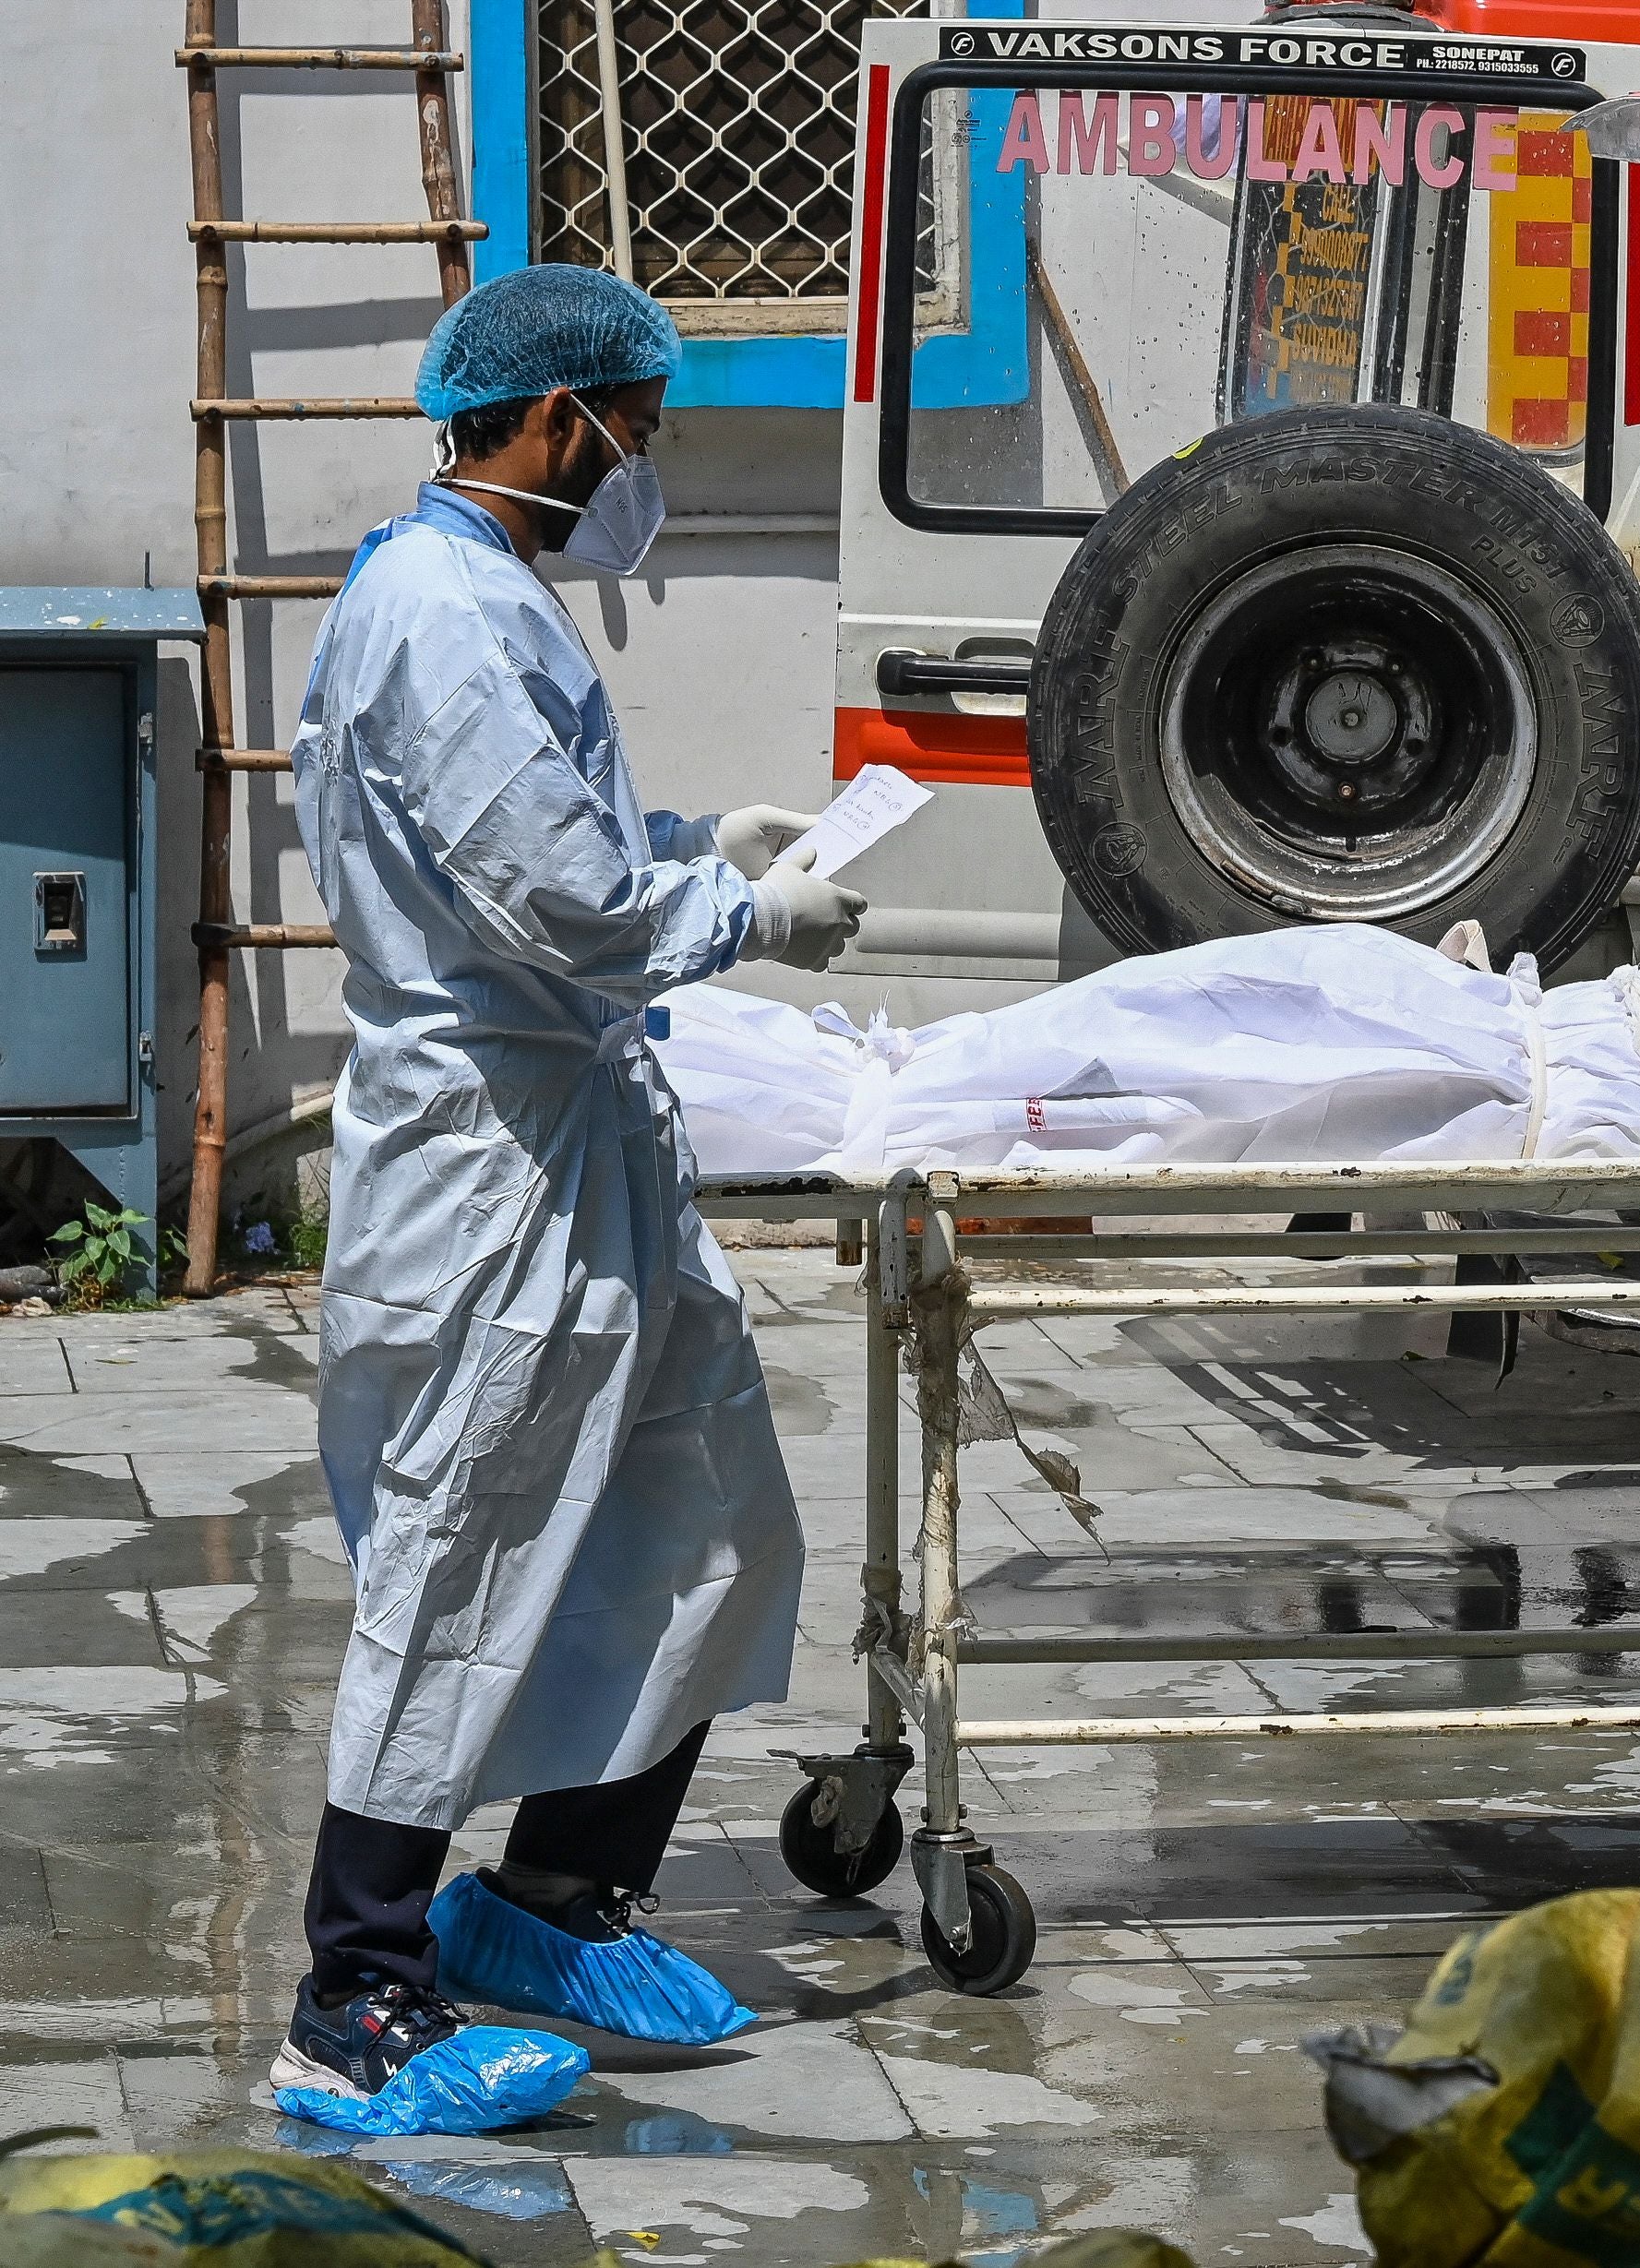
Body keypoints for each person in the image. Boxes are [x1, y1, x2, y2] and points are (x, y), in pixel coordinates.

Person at [269, 265, 870, 2134]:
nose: (645, 463)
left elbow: (558, 845)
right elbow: (554, 904)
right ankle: (354, 1996)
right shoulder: (446, 612)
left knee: (696, 1505)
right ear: (553, 423)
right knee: (462, 1561)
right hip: (493, 1171)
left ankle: (549, 1898)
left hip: (578, 1140)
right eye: (638, 426)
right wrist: (740, 916)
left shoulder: (481, 597)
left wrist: (703, 840)